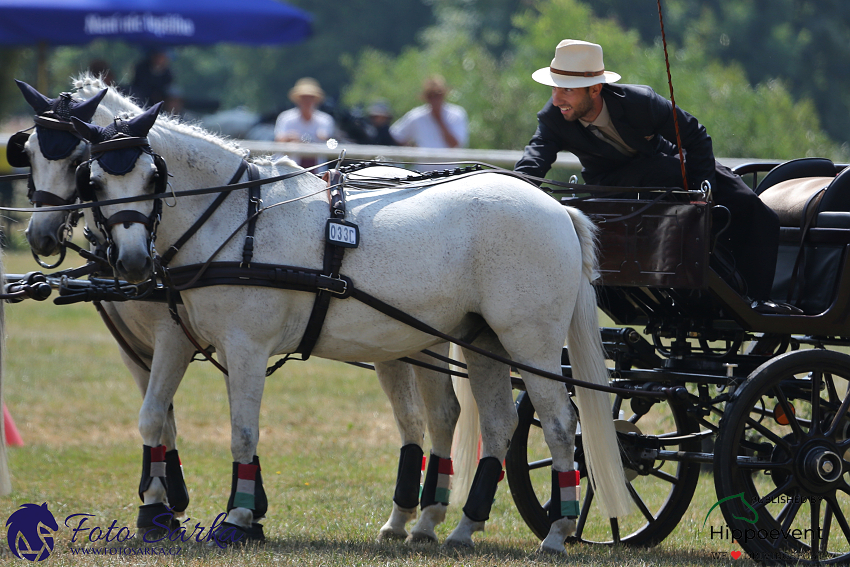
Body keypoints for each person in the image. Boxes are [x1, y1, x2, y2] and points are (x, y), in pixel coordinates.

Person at [515, 39, 789, 312]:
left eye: (566, 90)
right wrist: (515, 192)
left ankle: (759, 303)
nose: (556, 99)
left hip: (670, 168)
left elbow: (696, 137)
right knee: (664, 170)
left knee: (754, 208)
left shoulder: (641, 102)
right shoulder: (552, 117)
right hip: (616, 186)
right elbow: (534, 159)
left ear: (595, 89)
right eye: (554, 88)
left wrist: (704, 195)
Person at [390, 75, 468, 170]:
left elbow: (455, 144)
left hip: (451, 174)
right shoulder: (416, 115)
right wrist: (411, 148)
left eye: (438, 95)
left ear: (444, 95)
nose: (434, 99)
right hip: (423, 174)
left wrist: (439, 119)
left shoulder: (456, 114)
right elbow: (395, 135)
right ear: (426, 97)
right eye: (430, 95)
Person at [274, 77, 336, 170]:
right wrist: (289, 138)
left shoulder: (325, 120)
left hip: (317, 169)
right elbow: (279, 140)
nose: (307, 101)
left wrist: (301, 139)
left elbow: (329, 142)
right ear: (298, 99)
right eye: (304, 98)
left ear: (315, 100)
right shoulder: (286, 118)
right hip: (288, 170)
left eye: (310, 98)